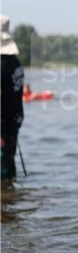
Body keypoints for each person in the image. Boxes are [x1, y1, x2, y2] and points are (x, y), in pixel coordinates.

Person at [1, 15, 25, 180]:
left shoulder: (1, 64)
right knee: (8, 166)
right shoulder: (15, 62)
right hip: (13, 122)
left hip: (3, 126)